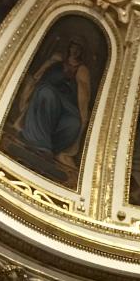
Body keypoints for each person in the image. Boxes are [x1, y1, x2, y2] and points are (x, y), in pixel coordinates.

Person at [17, 38, 93, 183]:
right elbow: (41, 76)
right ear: (69, 48)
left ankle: (51, 148)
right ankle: (39, 143)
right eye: (73, 47)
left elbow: (84, 94)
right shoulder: (57, 60)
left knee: (74, 122)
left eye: (78, 49)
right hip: (48, 91)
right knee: (47, 94)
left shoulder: (82, 69)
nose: (75, 51)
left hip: (66, 102)